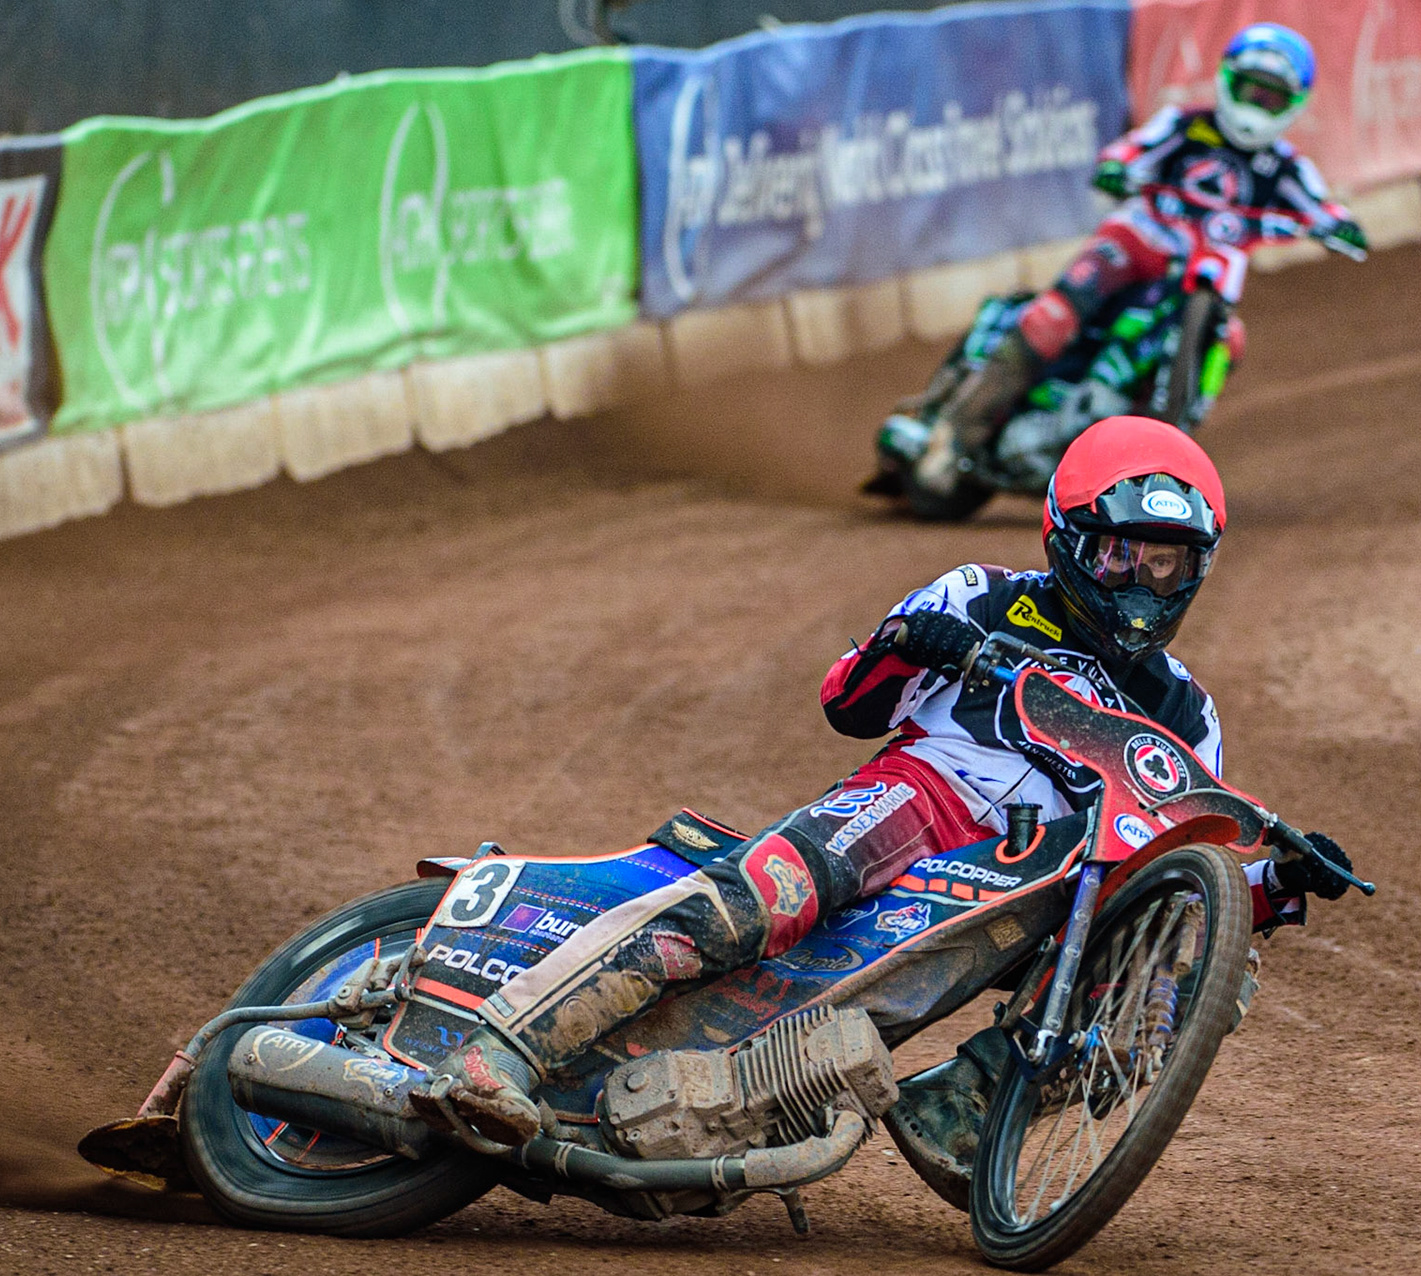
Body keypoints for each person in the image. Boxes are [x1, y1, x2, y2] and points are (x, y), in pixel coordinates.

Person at [414, 416, 1355, 1211]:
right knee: (765, 898)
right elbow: (847, 700)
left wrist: (1276, 883)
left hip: (1038, 883)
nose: (1142, 583)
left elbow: (1176, 871)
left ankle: (970, 1111)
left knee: (1183, 974)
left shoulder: (1188, 711)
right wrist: (910, 641)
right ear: (1068, 539)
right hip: (922, 798)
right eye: (1121, 554)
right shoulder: (983, 595)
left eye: (1165, 562)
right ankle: (501, 1051)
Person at [912, 22, 1367, 498]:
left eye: (1271, 97)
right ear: (1227, 80)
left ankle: (1152, 445)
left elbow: (1323, 206)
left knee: (1230, 338)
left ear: (1294, 103)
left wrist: (1341, 225)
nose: (1257, 104)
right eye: (1251, 89)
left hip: (1205, 269)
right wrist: (1117, 167)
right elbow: (1132, 149)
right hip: (1135, 241)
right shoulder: (1184, 125)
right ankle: (952, 434)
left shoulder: (1286, 167)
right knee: (1053, 315)